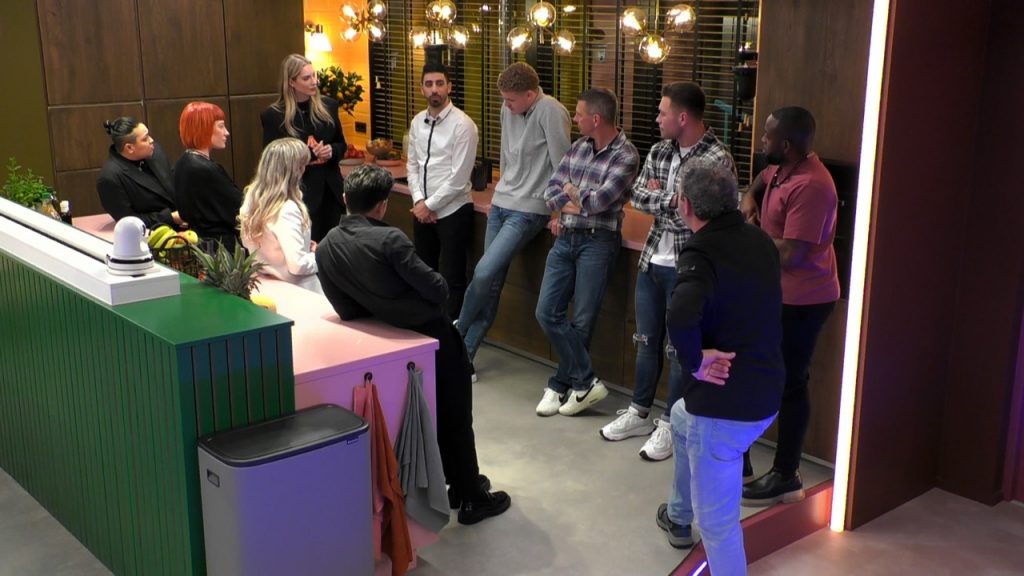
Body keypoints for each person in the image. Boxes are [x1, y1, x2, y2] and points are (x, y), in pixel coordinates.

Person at [315, 165, 511, 525]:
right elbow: (438, 288)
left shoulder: (327, 247)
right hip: (432, 337)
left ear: (344, 199)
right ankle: (471, 497)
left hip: (386, 348)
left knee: (430, 417)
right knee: (455, 415)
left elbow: (345, 309)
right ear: (382, 205)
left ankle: (457, 483)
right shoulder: (390, 240)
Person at [657, 163, 783, 576]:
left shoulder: (701, 251)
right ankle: (678, 513)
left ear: (686, 205)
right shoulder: (760, 241)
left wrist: (696, 362)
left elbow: (679, 316)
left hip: (725, 406)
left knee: (717, 524)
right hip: (766, 390)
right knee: (680, 416)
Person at [600, 82, 736, 461]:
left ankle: (670, 425)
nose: (657, 119)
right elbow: (638, 196)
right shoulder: (660, 150)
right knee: (645, 341)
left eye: (662, 113)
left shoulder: (717, 158)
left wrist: (670, 203)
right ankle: (640, 411)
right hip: (651, 260)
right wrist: (674, 201)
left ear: (683, 117)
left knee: (679, 350)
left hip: (688, 266)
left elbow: (708, 216)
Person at [739, 106, 840, 506]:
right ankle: (743, 458)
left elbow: (791, 253)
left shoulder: (813, 185)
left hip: (804, 300)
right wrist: (749, 197)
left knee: (790, 382)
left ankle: (786, 474)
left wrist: (748, 237)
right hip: (775, 293)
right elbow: (761, 180)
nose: (761, 140)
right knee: (759, 372)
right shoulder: (781, 169)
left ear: (786, 144)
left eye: (767, 136)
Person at [455, 62, 571, 380]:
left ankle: (457, 332)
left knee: (484, 272)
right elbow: (507, 156)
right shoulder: (509, 109)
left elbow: (563, 165)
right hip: (503, 203)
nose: (506, 106)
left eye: (511, 100)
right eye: (504, 99)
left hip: (530, 209)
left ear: (531, 94)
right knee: (491, 283)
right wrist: (498, 193)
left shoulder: (552, 111)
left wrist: (560, 211)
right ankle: (464, 359)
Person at [534, 88, 639, 417]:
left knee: (582, 320)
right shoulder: (578, 147)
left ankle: (560, 385)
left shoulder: (626, 155)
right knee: (546, 311)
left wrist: (571, 193)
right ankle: (586, 381)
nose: (575, 118)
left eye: (578, 114)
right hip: (565, 238)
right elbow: (550, 193)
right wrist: (574, 198)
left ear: (596, 119)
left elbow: (598, 202)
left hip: (598, 241)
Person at [406, 62, 478, 318]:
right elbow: (412, 166)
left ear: (449, 87)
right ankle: (427, 325)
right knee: (423, 273)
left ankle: (450, 330)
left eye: (439, 83)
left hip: (453, 211)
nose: (434, 89)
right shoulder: (417, 122)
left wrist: (429, 205)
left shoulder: (463, 125)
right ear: (422, 89)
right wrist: (419, 201)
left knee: (451, 277)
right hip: (422, 210)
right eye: (429, 84)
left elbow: (458, 179)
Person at [261, 53, 348, 243]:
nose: (314, 81)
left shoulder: (329, 106)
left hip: (332, 193)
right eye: (306, 78)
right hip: (298, 195)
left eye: (314, 75)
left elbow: (341, 144)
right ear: (291, 82)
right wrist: (309, 155)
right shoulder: (274, 116)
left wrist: (332, 151)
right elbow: (273, 160)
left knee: (336, 246)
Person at [239, 138, 321, 293]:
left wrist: (304, 244)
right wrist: (319, 255)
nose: (304, 170)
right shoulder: (287, 209)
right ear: (294, 170)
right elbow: (298, 265)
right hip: (298, 292)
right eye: (302, 165)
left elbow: (252, 243)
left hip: (263, 286)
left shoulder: (251, 201)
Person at [174, 101, 242, 251]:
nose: (226, 132)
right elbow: (239, 207)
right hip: (221, 249)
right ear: (204, 128)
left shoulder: (183, 162)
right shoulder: (205, 169)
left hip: (201, 244)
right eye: (221, 126)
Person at [96, 117, 183, 230]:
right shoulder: (109, 178)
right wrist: (171, 218)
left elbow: (173, 185)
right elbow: (128, 222)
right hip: (153, 234)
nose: (151, 140)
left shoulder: (155, 151)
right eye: (145, 139)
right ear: (129, 148)